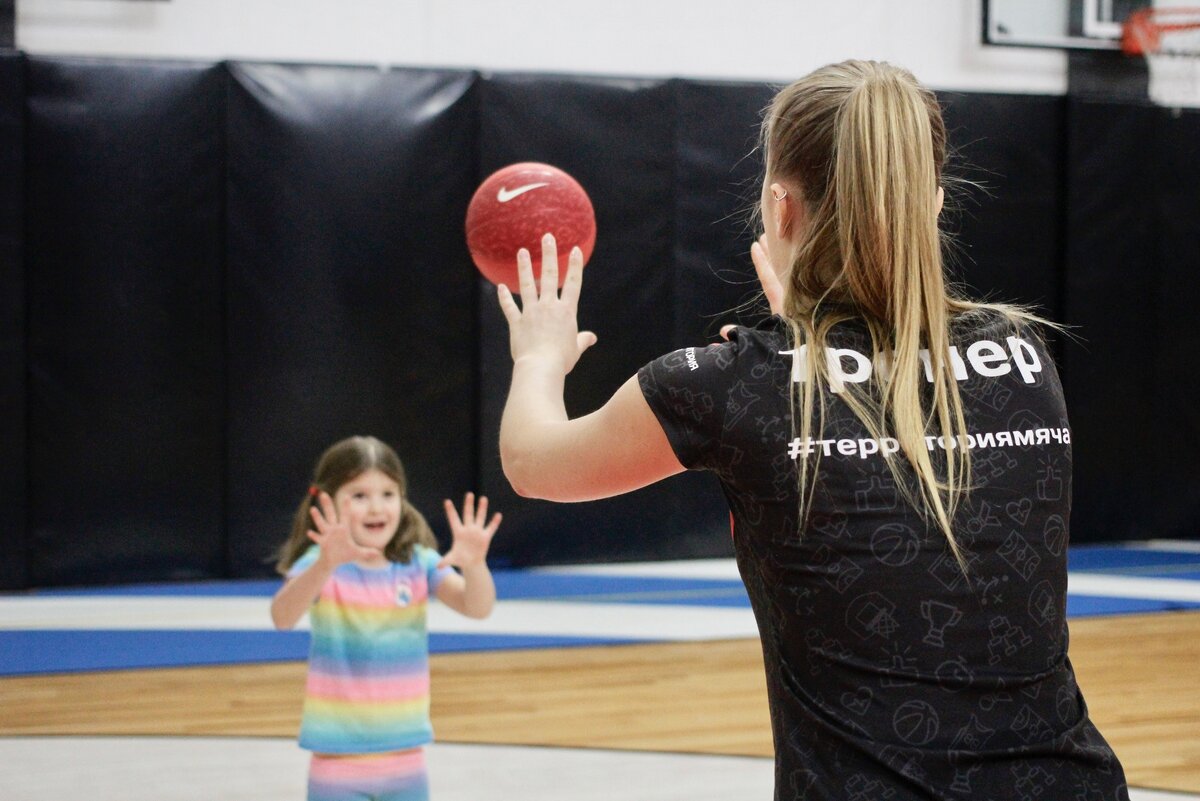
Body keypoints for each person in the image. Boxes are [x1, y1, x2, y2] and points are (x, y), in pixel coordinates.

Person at [495, 60, 1128, 800]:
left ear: (780, 208)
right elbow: (891, 402)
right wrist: (811, 341)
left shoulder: (729, 385)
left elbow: (533, 462)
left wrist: (539, 357)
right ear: (932, 205)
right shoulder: (1027, 357)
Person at [271, 435, 501, 801]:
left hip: (406, 760)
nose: (376, 507)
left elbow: (477, 607)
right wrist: (324, 565)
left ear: (402, 499)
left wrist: (475, 566)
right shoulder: (321, 565)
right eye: (359, 496)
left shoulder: (417, 563)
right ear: (327, 502)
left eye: (388, 494)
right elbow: (282, 617)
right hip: (336, 763)